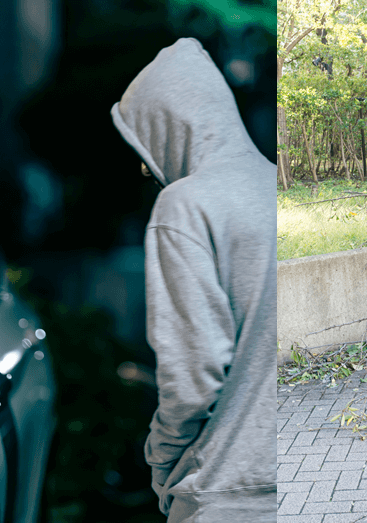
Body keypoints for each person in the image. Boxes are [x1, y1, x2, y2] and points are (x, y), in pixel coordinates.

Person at [110, 38, 277, 522]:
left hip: (225, 493)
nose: (146, 167)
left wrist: (161, 462)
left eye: (147, 146)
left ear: (172, 127)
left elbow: (193, 377)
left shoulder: (185, 205)